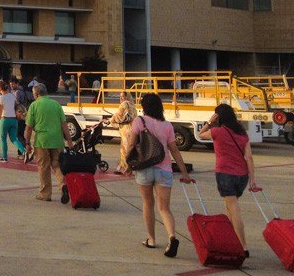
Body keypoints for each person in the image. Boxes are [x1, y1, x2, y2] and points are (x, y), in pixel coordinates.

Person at [125, 93, 193, 257]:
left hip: (144, 168)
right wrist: (184, 172)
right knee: (164, 208)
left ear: (144, 107)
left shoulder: (139, 122)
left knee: (148, 203)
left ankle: (151, 239)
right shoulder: (167, 125)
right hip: (164, 169)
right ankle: (172, 237)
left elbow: (132, 144)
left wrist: (128, 164)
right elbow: (174, 150)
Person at [198, 104, 257, 257]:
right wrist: (252, 179)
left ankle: (242, 246)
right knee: (229, 207)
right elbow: (249, 157)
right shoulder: (242, 133)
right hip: (242, 176)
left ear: (219, 117)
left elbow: (200, 134)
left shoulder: (217, 131)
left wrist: (210, 122)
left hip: (225, 174)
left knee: (234, 209)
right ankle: (232, 240)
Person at [24, 83, 73, 202]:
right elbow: (64, 124)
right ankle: (63, 185)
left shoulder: (34, 106)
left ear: (36, 94)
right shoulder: (56, 104)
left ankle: (45, 194)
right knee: (57, 165)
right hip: (57, 140)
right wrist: (70, 141)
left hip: (42, 141)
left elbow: (29, 127)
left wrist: (27, 143)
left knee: (43, 167)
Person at [0, 79, 26, 162]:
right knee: (14, 139)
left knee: (3, 139)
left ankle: (4, 157)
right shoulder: (12, 96)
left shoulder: (0, 98)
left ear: (0, 88)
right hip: (14, 120)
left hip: (5, 120)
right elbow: (16, 106)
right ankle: (24, 152)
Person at [105, 90, 137, 174]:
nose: (121, 98)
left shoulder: (124, 104)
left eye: (123, 96)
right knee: (129, 149)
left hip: (126, 130)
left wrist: (110, 120)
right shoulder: (132, 105)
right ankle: (126, 167)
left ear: (126, 97)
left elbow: (119, 116)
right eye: (120, 96)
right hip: (132, 129)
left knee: (125, 150)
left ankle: (126, 169)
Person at [11, 76, 31, 148]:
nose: (11, 86)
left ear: (17, 84)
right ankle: (23, 150)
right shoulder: (25, 91)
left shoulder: (17, 92)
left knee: (19, 135)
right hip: (25, 115)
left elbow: (16, 103)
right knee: (21, 134)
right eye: (10, 84)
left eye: (13, 84)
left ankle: (24, 149)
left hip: (20, 115)